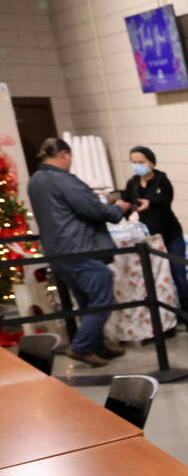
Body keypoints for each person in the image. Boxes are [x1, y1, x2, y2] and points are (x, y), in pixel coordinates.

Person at [26, 137, 130, 367]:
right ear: (64, 154)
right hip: (79, 247)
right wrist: (117, 209)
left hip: (56, 250)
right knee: (102, 296)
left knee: (86, 300)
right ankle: (82, 346)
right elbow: (92, 208)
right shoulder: (63, 180)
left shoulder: (35, 180)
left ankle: (97, 345)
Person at [122, 146, 188, 333]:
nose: (137, 166)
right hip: (149, 239)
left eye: (141, 162)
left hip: (170, 234)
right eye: (134, 162)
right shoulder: (133, 183)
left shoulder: (161, 180)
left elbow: (166, 200)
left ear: (151, 162)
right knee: (154, 279)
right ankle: (163, 322)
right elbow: (126, 202)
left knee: (178, 274)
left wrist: (151, 203)